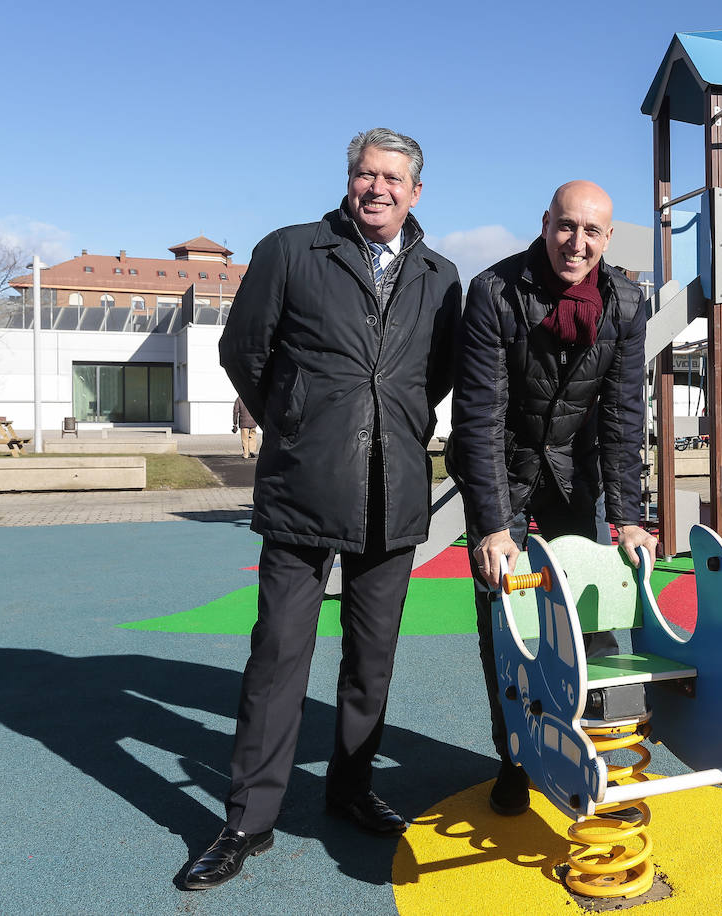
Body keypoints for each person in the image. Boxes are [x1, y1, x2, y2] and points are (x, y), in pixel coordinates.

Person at [179, 128, 459, 891]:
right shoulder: (292, 250)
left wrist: (391, 423)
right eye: (366, 174)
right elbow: (244, 349)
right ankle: (246, 820)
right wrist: (296, 419)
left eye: (392, 177)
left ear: (416, 191)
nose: (378, 187)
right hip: (305, 484)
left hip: (395, 488)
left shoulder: (440, 275)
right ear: (349, 180)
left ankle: (350, 788)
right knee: (277, 658)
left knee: (372, 662)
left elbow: (432, 377)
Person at [447, 180, 657, 817]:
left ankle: (597, 751)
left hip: (577, 467)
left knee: (594, 604)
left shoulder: (623, 301)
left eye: (592, 231)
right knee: (504, 616)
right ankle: (513, 756)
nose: (577, 242)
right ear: (545, 224)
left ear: (608, 238)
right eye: (567, 226)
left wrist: (627, 518)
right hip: (501, 464)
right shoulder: (495, 292)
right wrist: (491, 526)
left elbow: (623, 413)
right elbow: (479, 415)